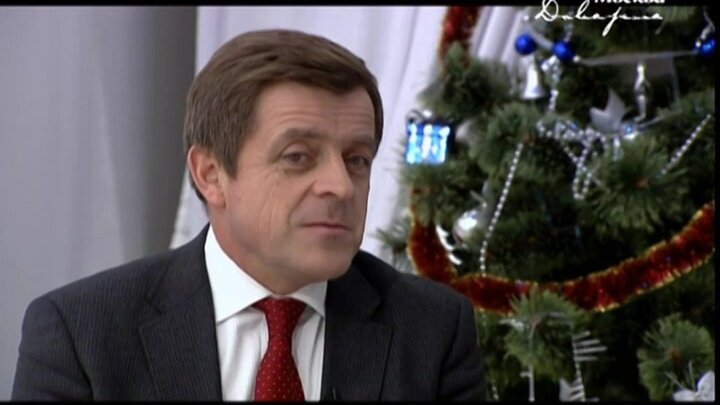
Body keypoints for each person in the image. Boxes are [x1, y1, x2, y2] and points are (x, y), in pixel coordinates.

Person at [11, 29, 485, 401]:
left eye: (357, 159)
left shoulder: (432, 330)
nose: (341, 186)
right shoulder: (81, 334)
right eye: (298, 156)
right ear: (211, 174)